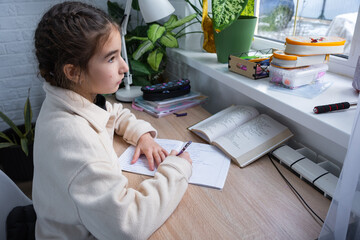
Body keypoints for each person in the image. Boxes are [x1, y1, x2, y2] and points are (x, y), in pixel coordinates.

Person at [32, 1, 192, 239]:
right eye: (111, 58)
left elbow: (114, 112)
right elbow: (128, 226)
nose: (125, 67)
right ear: (73, 72)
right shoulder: (73, 140)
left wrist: (142, 135)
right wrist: (177, 169)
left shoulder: (72, 97)